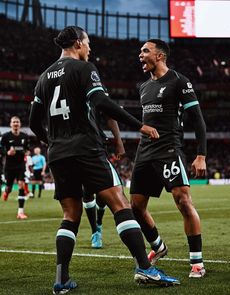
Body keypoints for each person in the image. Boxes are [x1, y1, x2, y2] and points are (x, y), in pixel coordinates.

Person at [29, 26, 180, 294]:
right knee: (120, 203)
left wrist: (51, 141)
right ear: (78, 43)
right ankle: (145, 268)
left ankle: (61, 279)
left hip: (58, 153)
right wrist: (139, 125)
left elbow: (33, 122)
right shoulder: (85, 69)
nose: (90, 48)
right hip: (87, 148)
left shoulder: (43, 77)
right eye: (87, 43)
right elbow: (101, 101)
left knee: (70, 214)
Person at [130, 39, 207, 278]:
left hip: (169, 150)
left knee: (183, 201)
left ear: (160, 55)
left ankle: (197, 263)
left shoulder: (179, 81)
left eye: (145, 51)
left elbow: (198, 120)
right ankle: (158, 246)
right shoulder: (143, 87)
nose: (140, 55)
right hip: (145, 152)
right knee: (136, 207)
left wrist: (201, 155)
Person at [83, 113, 125, 249]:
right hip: (77, 147)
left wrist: (118, 141)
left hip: (98, 144)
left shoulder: (95, 92)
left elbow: (110, 115)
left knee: (103, 193)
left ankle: (99, 223)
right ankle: (95, 231)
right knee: (86, 191)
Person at [1, 116, 30, 219]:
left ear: (20, 124)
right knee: (9, 187)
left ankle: (20, 212)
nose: (15, 124)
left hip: (20, 165)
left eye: (17, 122)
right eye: (14, 122)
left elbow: (27, 149)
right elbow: (1, 150)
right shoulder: (5, 137)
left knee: (21, 185)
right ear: (10, 124)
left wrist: (27, 152)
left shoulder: (25, 136)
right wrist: (7, 152)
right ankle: (6, 192)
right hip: (9, 166)